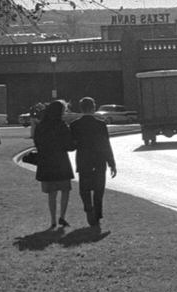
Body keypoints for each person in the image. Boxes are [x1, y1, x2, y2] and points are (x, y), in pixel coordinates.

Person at [68, 96, 117, 228]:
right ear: (93, 108)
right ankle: (97, 214)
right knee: (98, 189)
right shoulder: (101, 124)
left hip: (84, 160)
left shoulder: (74, 125)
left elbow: (71, 146)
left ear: (81, 108)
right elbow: (106, 144)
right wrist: (111, 163)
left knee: (84, 188)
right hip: (99, 160)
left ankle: (88, 207)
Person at [31, 99, 76, 228]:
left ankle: (52, 220)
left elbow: (37, 142)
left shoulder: (41, 125)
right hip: (61, 160)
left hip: (46, 161)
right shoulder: (61, 125)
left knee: (52, 193)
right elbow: (69, 145)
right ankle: (62, 216)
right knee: (65, 190)